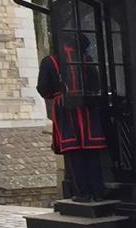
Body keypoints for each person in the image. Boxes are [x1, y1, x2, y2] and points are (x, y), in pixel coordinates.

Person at [36, 34, 109, 201]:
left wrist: (56, 96)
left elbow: (43, 88)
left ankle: (82, 193)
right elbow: (95, 83)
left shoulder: (50, 61)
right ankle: (98, 191)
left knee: (73, 153)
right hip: (87, 108)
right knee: (91, 152)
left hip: (64, 109)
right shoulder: (86, 59)